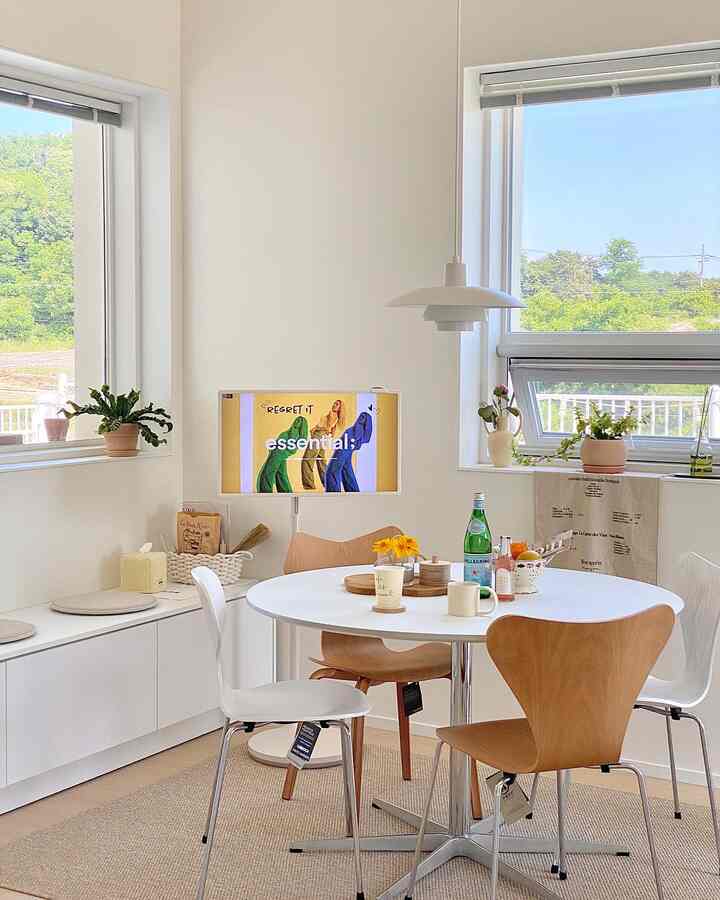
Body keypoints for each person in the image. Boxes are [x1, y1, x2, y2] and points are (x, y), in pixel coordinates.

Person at [301, 399, 346, 490]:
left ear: (340, 408)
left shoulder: (332, 414)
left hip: (319, 436)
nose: (334, 405)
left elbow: (326, 426)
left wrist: (316, 429)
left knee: (307, 460)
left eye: (337, 405)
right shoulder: (336, 417)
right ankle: (329, 484)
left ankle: (309, 486)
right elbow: (331, 433)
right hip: (322, 438)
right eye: (334, 403)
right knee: (321, 462)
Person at [256, 416, 309, 493]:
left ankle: (265, 491)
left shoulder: (299, 435)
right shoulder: (290, 431)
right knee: (281, 473)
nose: (297, 421)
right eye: (297, 420)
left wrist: (284, 450)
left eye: (300, 421)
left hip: (280, 453)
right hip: (276, 451)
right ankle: (286, 492)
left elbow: (295, 448)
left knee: (269, 471)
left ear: (303, 425)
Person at [325, 411, 372, 492]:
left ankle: (333, 494)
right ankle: (353, 492)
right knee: (346, 471)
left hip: (344, 450)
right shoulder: (356, 428)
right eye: (361, 415)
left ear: (366, 422)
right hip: (344, 449)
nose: (361, 417)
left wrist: (344, 443)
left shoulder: (358, 430)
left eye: (364, 417)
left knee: (332, 471)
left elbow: (354, 440)